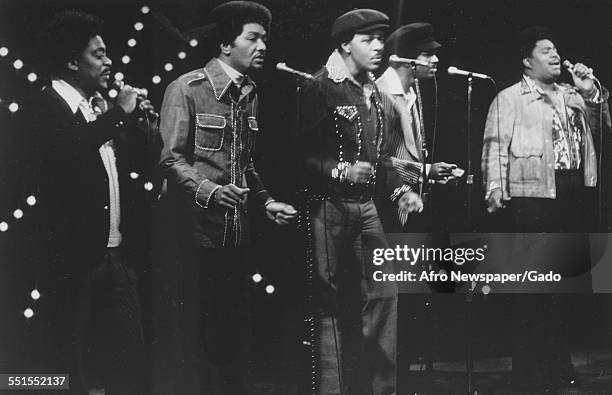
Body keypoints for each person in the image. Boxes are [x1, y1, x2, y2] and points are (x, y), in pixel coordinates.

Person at [157, 1, 296, 393]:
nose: (262, 46)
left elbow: (246, 162)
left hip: (236, 235)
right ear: (225, 44)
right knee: (195, 338)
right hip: (192, 234)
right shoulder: (187, 88)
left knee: (231, 333)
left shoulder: (251, 93)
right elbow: (168, 159)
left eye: (264, 38)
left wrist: (266, 201)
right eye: (252, 38)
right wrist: (211, 192)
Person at [31, 10, 156, 395]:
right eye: (98, 54)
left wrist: (140, 123)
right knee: (67, 359)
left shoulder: (97, 107)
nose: (109, 61)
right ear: (72, 61)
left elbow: (142, 161)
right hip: (71, 258)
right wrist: (120, 112)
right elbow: (71, 151)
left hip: (114, 254)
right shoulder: (46, 104)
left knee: (128, 355)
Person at [296, 8, 418, 395]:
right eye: (368, 40)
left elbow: (381, 158)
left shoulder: (376, 93)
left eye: (381, 39)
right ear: (346, 44)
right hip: (327, 206)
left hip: (365, 207)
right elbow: (295, 157)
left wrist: (402, 191)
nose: (379, 47)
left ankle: (381, 390)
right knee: (328, 302)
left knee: (385, 293)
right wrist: (340, 171)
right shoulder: (319, 87)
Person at [481, 26, 610, 391]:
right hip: (531, 196)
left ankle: (557, 364)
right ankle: (528, 369)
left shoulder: (573, 95)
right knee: (533, 287)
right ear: (527, 60)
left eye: (557, 49)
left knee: (564, 285)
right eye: (546, 50)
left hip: (572, 195)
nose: (555, 55)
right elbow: (494, 145)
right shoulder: (510, 98)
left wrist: (592, 94)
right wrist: (494, 187)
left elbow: (604, 130)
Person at [376, 22, 462, 232]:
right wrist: (425, 171)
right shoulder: (382, 93)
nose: (436, 60)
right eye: (427, 54)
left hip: (407, 204)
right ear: (407, 60)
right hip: (386, 204)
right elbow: (378, 158)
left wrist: (431, 174)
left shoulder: (411, 93)